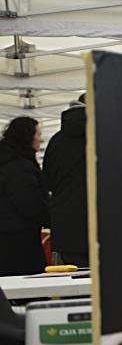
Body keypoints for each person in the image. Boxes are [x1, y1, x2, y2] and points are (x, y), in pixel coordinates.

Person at [0, 117, 50, 276]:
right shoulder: (19, 166)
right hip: (19, 240)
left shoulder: (9, 160)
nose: (40, 139)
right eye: (38, 134)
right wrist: (50, 217)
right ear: (27, 136)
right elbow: (29, 202)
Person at [43, 94, 88, 267]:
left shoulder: (56, 141)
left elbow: (47, 181)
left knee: (74, 283)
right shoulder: (103, 136)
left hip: (66, 226)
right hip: (102, 223)